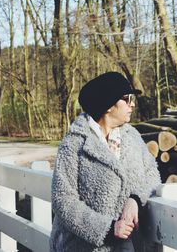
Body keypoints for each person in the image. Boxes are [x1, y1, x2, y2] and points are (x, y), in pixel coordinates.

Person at [50, 71, 161, 251]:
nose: (132, 104)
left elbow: (152, 173)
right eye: (127, 99)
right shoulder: (74, 143)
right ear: (109, 105)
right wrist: (107, 229)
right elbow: (63, 200)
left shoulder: (132, 136)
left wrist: (134, 199)